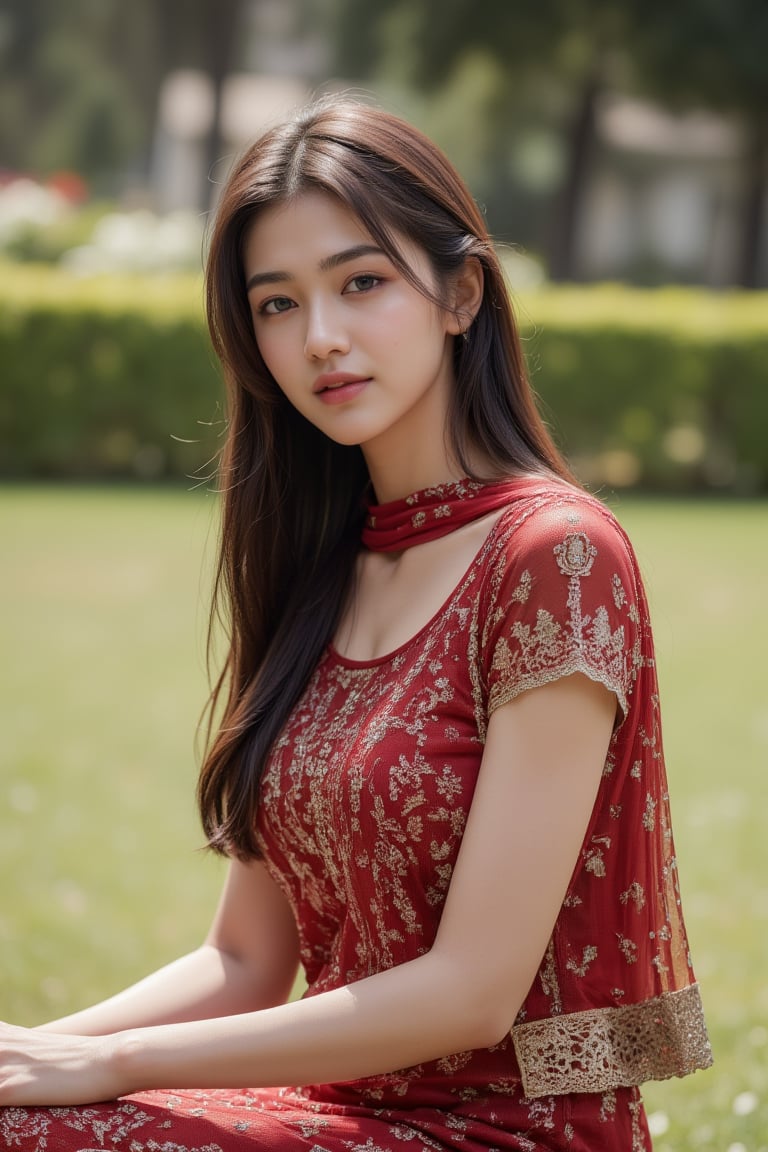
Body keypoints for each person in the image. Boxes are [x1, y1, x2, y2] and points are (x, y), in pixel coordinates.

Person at [0, 97, 711, 1152]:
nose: (320, 337)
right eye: (277, 304)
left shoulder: (555, 560)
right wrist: (31, 1055)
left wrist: (109, 1064)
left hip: (505, 1133)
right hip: (339, 1112)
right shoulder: (323, 569)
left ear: (460, 292)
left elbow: (472, 994)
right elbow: (245, 961)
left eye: (361, 282)